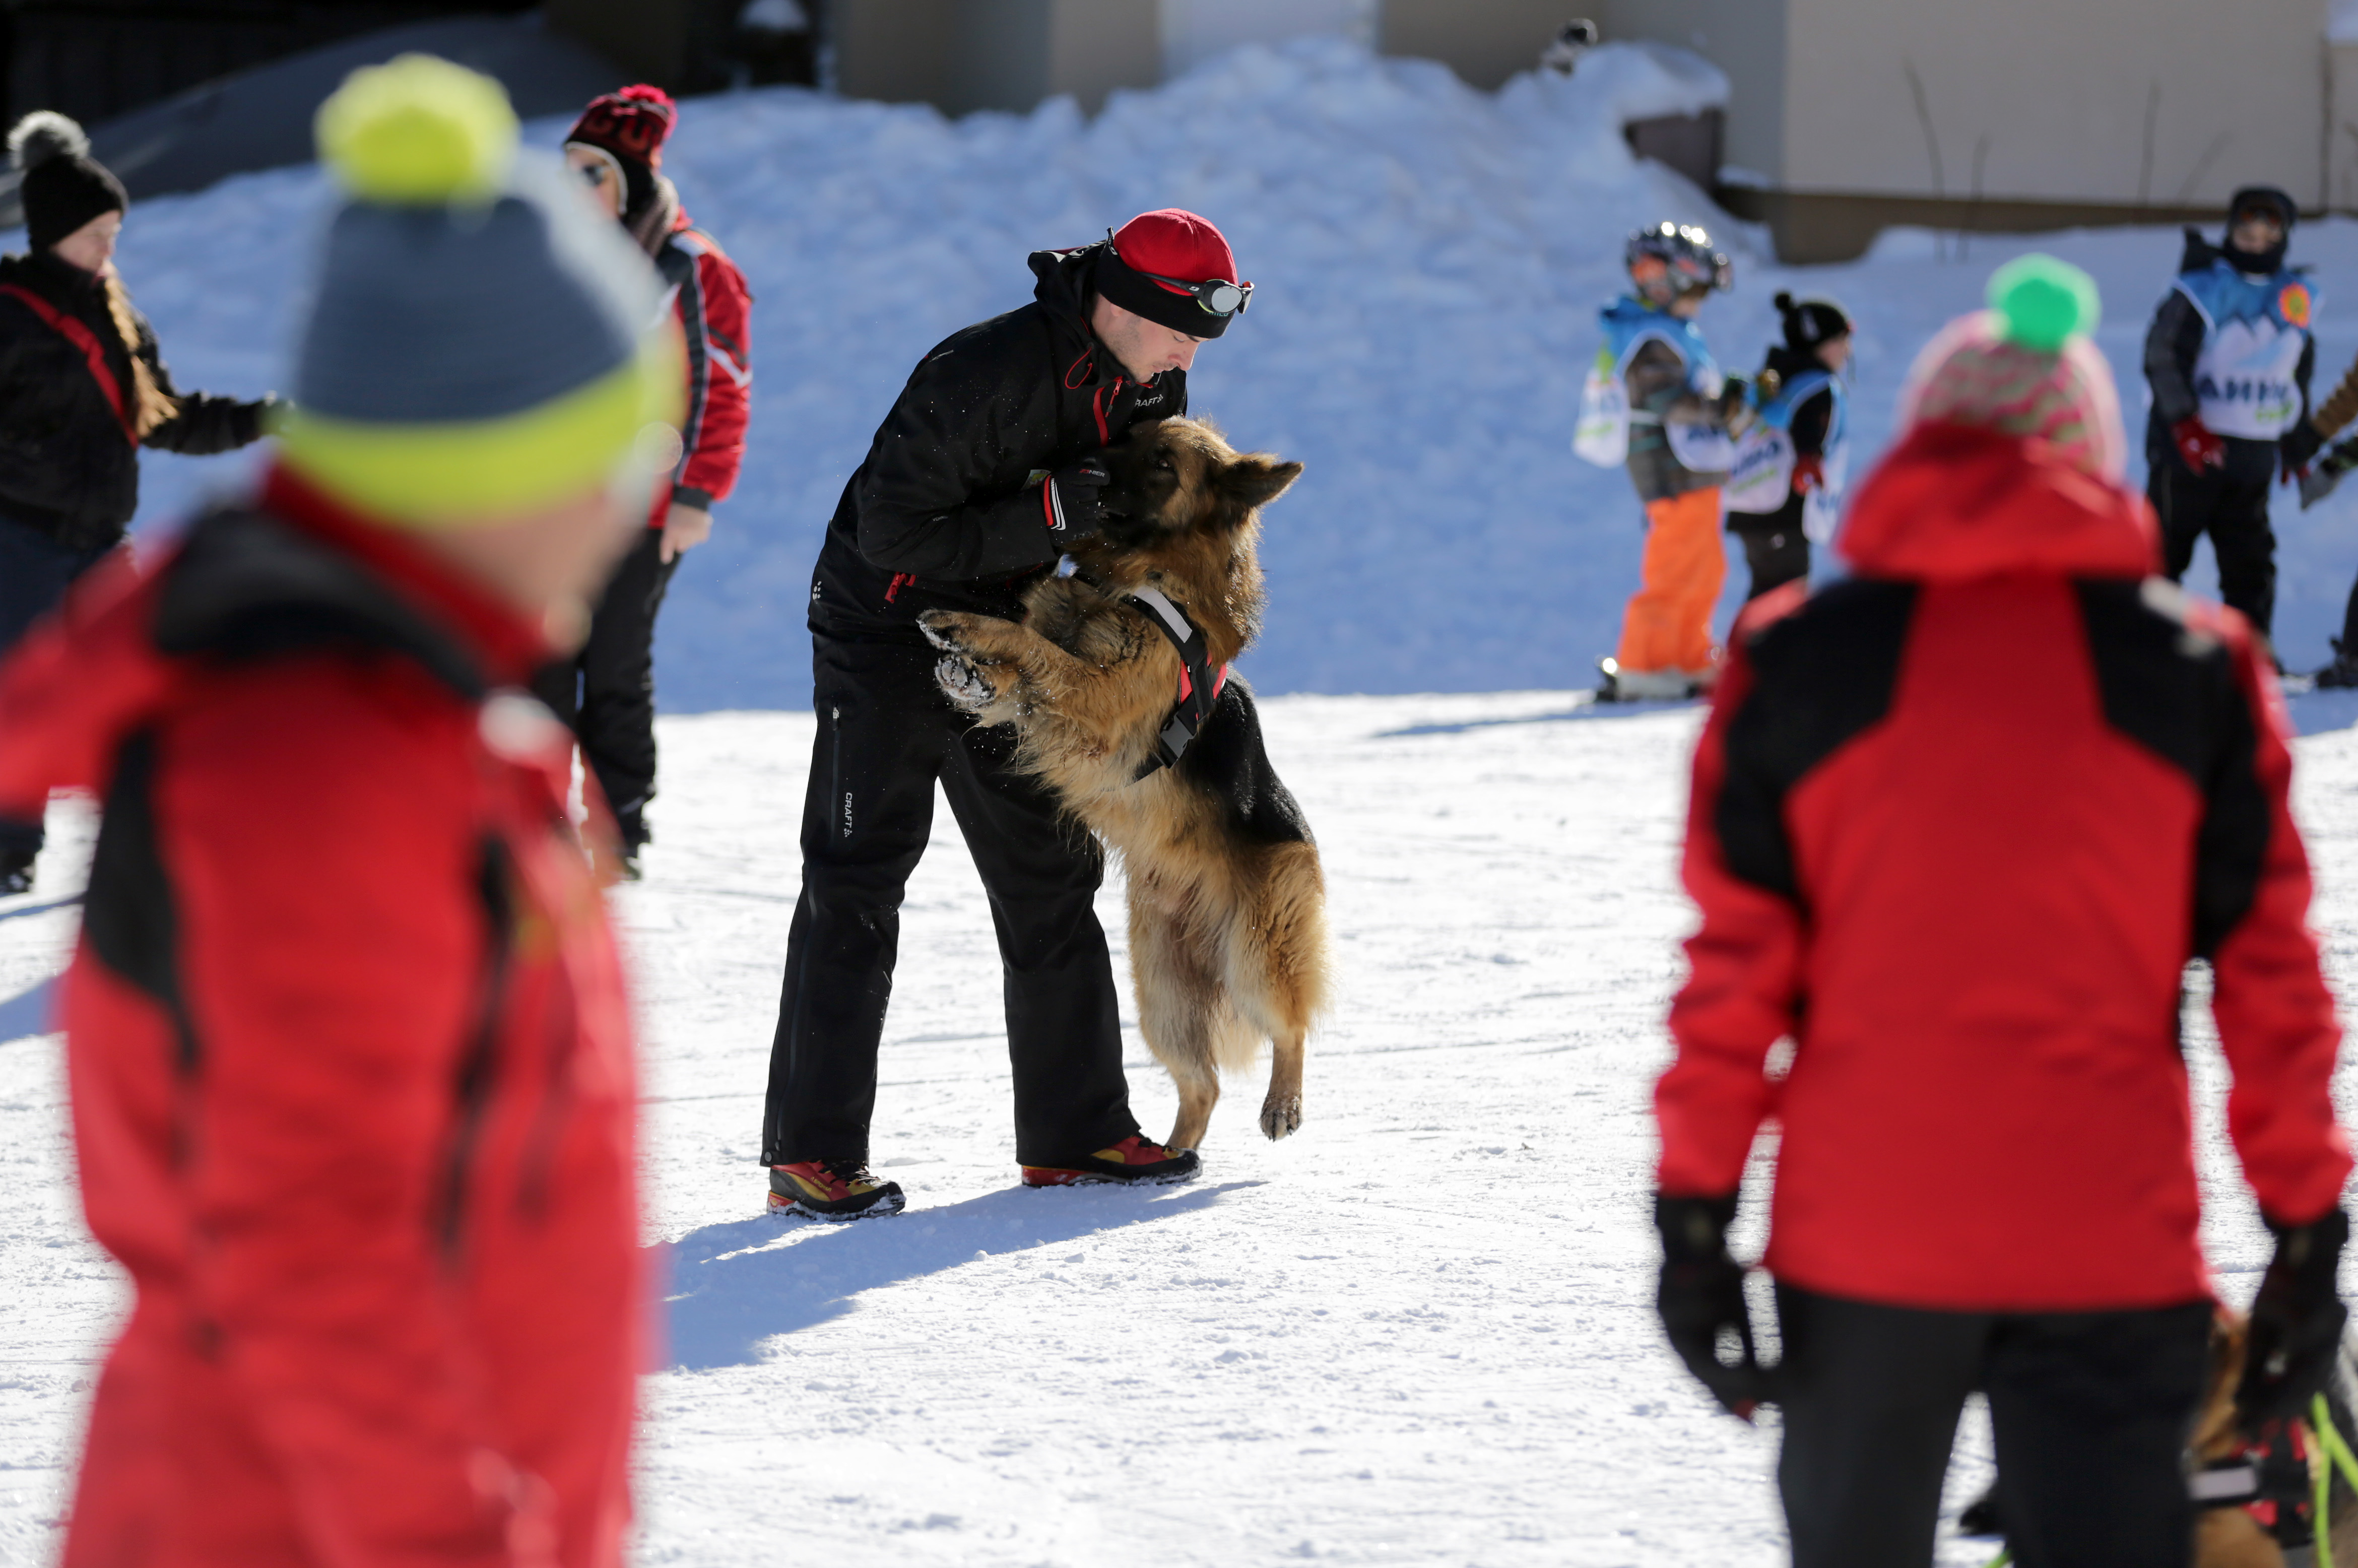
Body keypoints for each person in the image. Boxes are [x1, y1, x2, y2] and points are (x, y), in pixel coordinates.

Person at [0, 54, 675, 1564]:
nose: (618, 513)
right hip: (299, 1514)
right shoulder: (318, 762)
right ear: (483, 475)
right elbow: (311, 1244)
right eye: (598, 462)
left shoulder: (404, 716)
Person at [1653, 255, 2352, 1568]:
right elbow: (2275, 985)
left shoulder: (1797, 658)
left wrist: (1693, 1223)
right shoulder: (2197, 671)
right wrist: (2308, 1232)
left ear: (1926, 447)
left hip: (1862, 1238)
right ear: (2093, 453)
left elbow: (1734, 975)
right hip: (2108, 1238)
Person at [760, 210, 1244, 1218]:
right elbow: (891, 530)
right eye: (1180, 329)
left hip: (1010, 628)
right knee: (858, 874)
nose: (1190, 354)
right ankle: (812, 1151)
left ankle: (1075, 1133)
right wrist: (1058, 512)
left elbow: (1135, 523)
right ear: (1120, 305)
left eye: (1205, 334)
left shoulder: (1154, 379)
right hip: (882, 627)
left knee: (1051, 874)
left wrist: (1167, 631)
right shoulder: (981, 373)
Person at [0, 109, 275, 894]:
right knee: (19, 696)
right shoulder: (9, 316)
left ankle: (143, 840)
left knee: (136, 682)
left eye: (115, 230)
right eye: (96, 232)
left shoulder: (121, 320)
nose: (109, 247)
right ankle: (10, 849)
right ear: (54, 230)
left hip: (99, 539)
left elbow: (168, 419)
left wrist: (262, 418)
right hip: (18, 538)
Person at [535, 84, 752, 878]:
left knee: (616, 663)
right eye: (567, 171)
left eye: (592, 171)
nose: (575, 188)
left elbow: (723, 386)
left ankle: (617, 830)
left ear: (632, 178)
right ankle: (541, 825)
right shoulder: (562, 260)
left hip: (650, 506)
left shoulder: (693, 266)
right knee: (544, 660)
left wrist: (696, 496)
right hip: (556, 503)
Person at [1575, 220, 1747, 701]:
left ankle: (1688, 655)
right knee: (1675, 567)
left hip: (1692, 469)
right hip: (1669, 470)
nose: (1699, 304)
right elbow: (1665, 398)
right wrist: (1719, 408)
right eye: (1696, 291)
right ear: (1666, 282)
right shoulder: (1650, 337)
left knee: (1705, 567)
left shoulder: (1671, 330)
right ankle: (1645, 663)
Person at [2144, 185, 2315, 655]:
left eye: (2267, 234)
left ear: (2282, 238)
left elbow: (2296, 372)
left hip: (2252, 454)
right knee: (2163, 552)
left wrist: (2296, 443)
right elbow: (2163, 355)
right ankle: (2146, 653)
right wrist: (2184, 423)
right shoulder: (2202, 289)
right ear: (2231, 231)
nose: (2255, 242)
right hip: (2192, 452)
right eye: (2246, 231)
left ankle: (2251, 656)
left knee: (2251, 562)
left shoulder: (2294, 298)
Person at [1720, 292, 1851, 600]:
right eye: (1842, 340)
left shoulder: (1774, 379)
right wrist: (1810, 459)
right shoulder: (1816, 386)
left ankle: (1744, 648)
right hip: (1784, 510)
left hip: (1749, 502)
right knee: (1784, 601)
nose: (1847, 350)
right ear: (1820, 342)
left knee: (1764, 594)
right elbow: (1809, 429)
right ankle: (1754, 650)